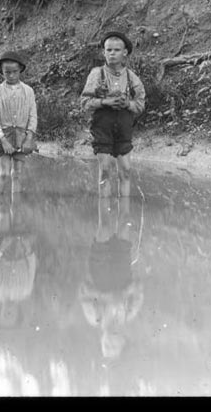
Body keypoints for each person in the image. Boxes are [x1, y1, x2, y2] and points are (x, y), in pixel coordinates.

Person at [77, 192, 144, 360]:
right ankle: (122, 190)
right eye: (115, 345)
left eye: (108, 344)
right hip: (121, 270)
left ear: (102, 339)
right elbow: (139, 288)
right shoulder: (129, 313)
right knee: (124, 226)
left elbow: (83, 290)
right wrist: (127, 291)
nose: (112, 340)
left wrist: (102, 295)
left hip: (100, 270)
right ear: (123, 340)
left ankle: (104, 193)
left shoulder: (95, 317)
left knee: (104, 227)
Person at [80, 31, 146, 197]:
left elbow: (140, 104)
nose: (112, 53)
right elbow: (84, 102)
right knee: (105, 171)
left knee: (125, 171)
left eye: (116, 50)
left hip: (124, 128)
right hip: (102, 128)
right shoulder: (97, 74)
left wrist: (127, 104)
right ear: (104, 52)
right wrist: (104, 102)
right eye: (108, 50)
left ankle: (124, 213)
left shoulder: (132, 78)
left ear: (125, 53)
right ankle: (104, 219)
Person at [0, 51, 38, 195]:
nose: (11, 75)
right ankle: (1, 212)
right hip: (3, 135)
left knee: (17, 174)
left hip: (21, 136)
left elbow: (33, 116)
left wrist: (28, 139)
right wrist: (3, 140)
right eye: (7, 72)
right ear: (1, 72)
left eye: (15, 72)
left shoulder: (28, 91)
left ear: (20, 69)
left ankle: (16, 210)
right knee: (4, 174)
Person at [0, 189, 38, 329]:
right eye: (12, 316)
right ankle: (16, 187)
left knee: (4, 216)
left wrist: (2, 249)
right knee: (19, 215)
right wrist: (28, 249)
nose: (9, 313)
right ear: (17, 313)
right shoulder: (26, 291)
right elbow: (31, 267)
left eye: (5, 315)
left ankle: (3, 193)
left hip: (3, 250)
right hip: (22, 250)